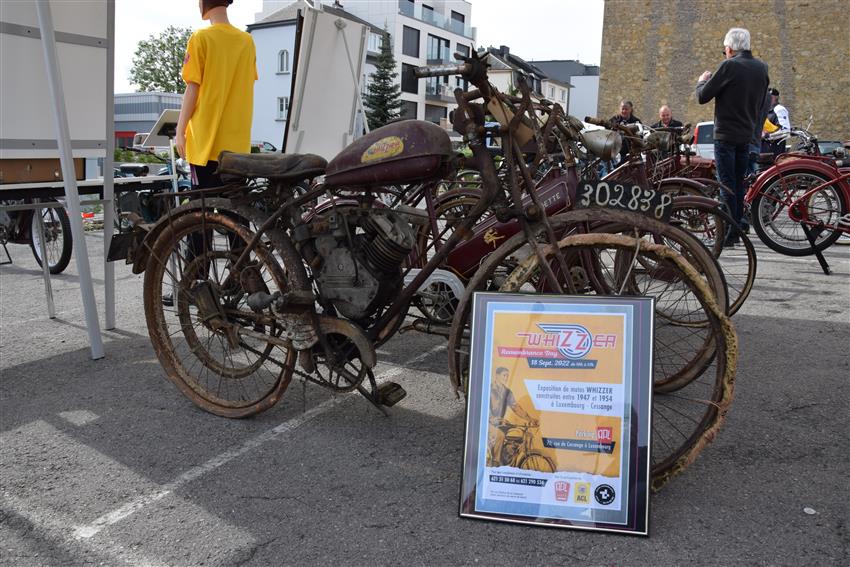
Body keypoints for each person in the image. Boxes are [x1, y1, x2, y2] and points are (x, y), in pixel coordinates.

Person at [696, 27, 769, 247]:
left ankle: (728, 234)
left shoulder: (729, 66)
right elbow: (762, 102)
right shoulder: (761, 68)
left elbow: (702, 96)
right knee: (738, 185)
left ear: (730, 48)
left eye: (725, 49)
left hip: (726, 135)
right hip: (746, 135)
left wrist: (702, 81)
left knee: (726, 186)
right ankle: (736, 230)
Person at [177, 0, 257, 189]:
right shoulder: (247, 41)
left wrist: (180, 131)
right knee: (234, 204)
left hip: (206, 143)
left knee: (203, 203)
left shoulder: (200, 38)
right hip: (238, 145)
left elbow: (192, 88)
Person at [487, 367, 537, 467]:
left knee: (515, 434)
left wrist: (530, 419)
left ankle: (507, 459)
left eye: (507, 376)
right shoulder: (489, 389)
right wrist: (492, 418)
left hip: (500, 422)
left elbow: (515, 407)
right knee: (500, 435)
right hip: (486, 422)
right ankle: (495, 463)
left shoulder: (507, 392)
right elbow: (483, 406)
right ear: (497, 376)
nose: (506, 378)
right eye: (504, 375)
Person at [762, 87, 791, 157]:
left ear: (774, 97)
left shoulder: (779, 109)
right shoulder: (766, 110)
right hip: (764, 149)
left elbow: (785, 131)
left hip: (774, 151)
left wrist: (767, 136)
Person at [610, 100, 641, 164]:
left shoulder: (636, 121)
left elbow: (640, 136)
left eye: (626, 109)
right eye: (622, 109)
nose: (624, 111)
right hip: (616, 153)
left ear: (631, 109)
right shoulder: (614, 120)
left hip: (631, 153)